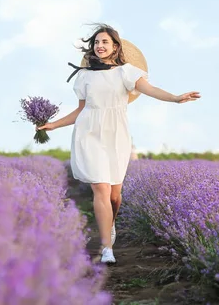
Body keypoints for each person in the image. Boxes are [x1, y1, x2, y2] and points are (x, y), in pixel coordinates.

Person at [37, 23, 200, 265]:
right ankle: (106, 248)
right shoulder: (83, 76)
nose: (99, 46)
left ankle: (110, 223)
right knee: (100, 188)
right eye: (96, 42)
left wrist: (175, 99)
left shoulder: (127, 72)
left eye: (105, 42)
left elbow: (150, 89)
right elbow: (80, 111)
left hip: (116, 135)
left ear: (115, 47)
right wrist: (54, 125)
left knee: (115, 196)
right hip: (89, 132)